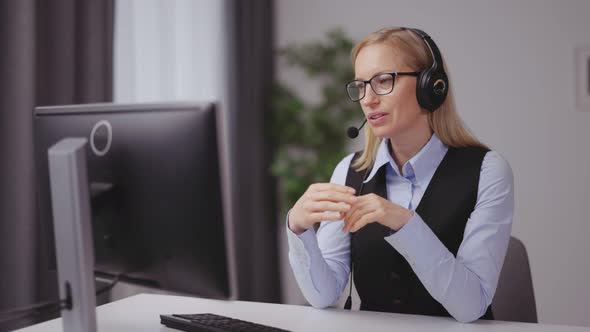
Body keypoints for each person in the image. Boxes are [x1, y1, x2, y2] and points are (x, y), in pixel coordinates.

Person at [286, 27, 513, 323]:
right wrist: (298, 229)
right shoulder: (350, 171)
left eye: (383, 81)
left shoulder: (487, 170)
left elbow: (471, 307)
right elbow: (323, 295)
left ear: (431, 87)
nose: (367, 99)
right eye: (361, 85)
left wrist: (405, 223)